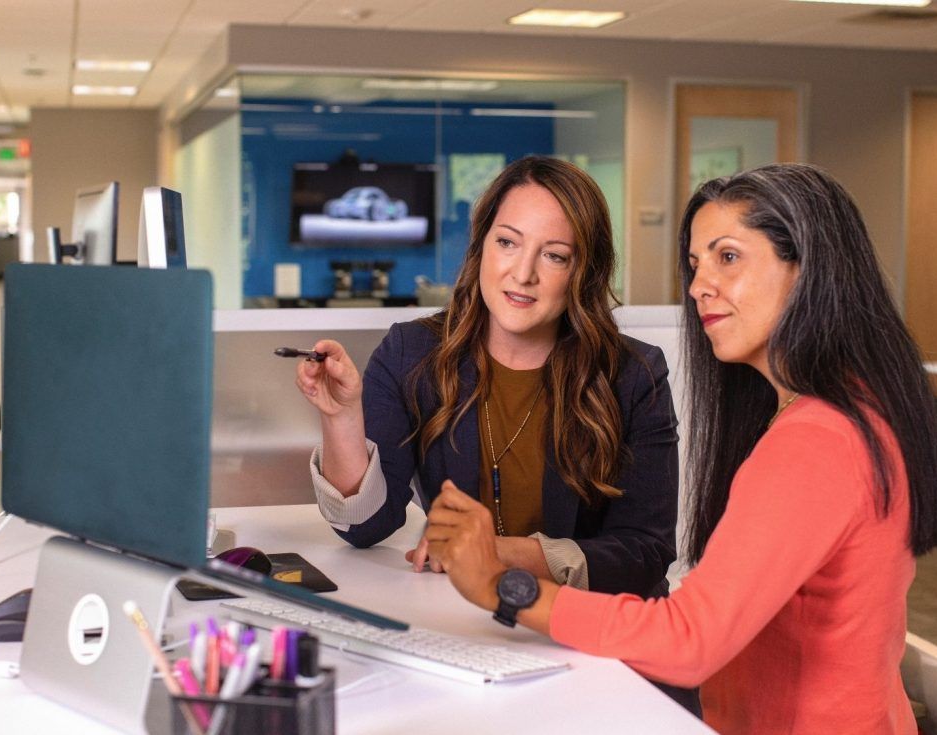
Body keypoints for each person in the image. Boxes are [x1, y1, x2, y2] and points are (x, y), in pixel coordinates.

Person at [423, 163, 937, 734]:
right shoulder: (855, 407)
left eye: (728, 257)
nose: (700, 285)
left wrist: (503, 588)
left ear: (807, 270)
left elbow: (689, 641)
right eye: (697, 264)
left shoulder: (817, 441)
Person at [296, 156, 698, 712]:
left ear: (584, 271)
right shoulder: (412, 353)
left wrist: (500, 557)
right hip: (472, 639)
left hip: (598, 647)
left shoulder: (633, 372)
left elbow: (646, 552)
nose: (523, 273)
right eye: (508, 243)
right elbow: (366, 527)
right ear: (482, 245)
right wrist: (341, 416)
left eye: (554, 256)